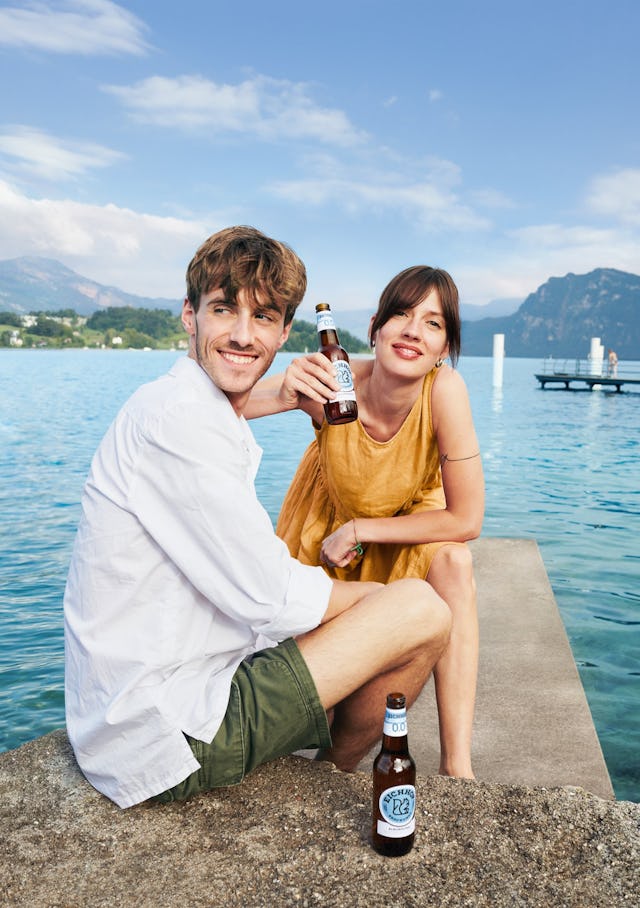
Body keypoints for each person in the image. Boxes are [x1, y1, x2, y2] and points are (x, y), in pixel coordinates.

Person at [63, 227, 451, 809]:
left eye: (263, 317)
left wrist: (284, 395)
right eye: (224, 309)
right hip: (166, 735)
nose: (244, 335)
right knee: (422, 611)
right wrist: (379, 602)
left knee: (365, 632)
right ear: (190, 316)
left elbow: (231, 408)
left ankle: (331, 756)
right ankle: (335, 775)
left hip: (158, 696)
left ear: (284, 332)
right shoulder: (178, 424)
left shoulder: (181, 405)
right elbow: (269, 595)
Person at [248, 265, 484, 778]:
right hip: (325, 521)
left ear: (445, 348)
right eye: (401, 314)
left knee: (456, 563)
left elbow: (467, 518)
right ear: (375, 328)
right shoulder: (334, 379)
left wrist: (362, 530)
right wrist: (286, 388)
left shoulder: (444, 389)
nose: (413, 331)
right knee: (322, 707)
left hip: (406, 522)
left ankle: (458, 767)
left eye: (433, 323)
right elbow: (226, 404)